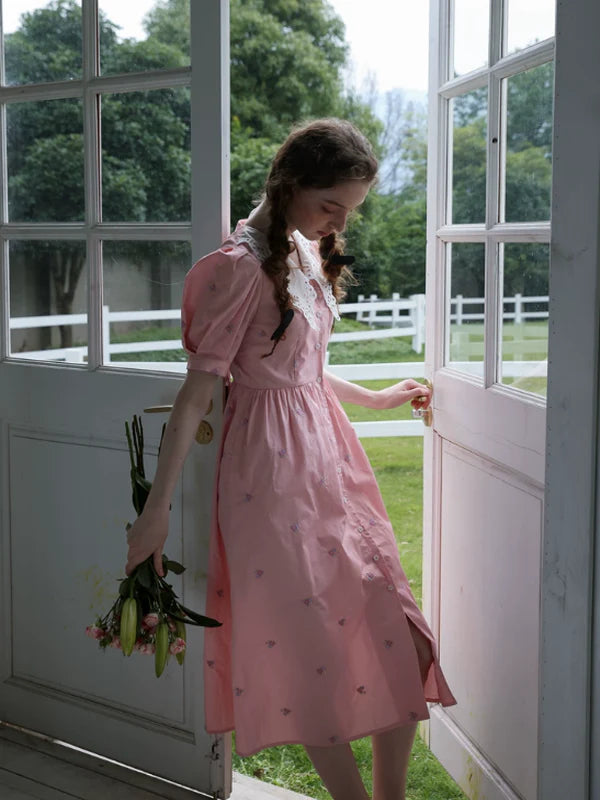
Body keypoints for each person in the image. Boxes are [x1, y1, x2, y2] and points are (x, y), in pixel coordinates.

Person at [125, 118, 457, 800]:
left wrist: (373, 397)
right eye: (330, 203)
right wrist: (153, 515)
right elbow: (197, 397)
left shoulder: (304, 249)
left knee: (401, 630)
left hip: (330, 453)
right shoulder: (239, 268)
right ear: (289, 182)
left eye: (349, 209)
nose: (338, 220)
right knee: (313, 650)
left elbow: (298, 367)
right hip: (272, 475)